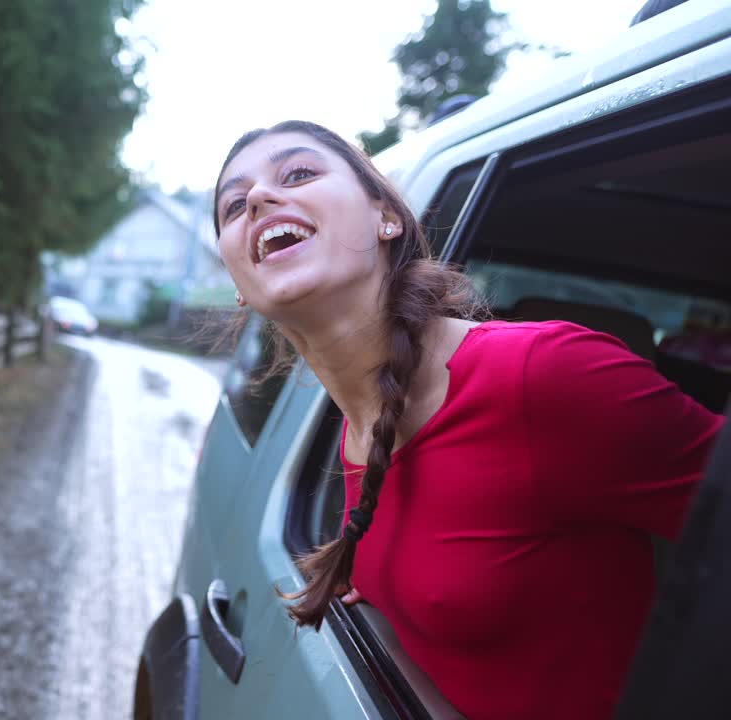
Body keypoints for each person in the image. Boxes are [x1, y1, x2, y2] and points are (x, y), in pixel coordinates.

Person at [212, 120, 725, 720]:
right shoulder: (354, 437)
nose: (258, 199)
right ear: (239, 285)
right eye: (233, 205)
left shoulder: (544, 373)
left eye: (298, 174)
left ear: (388, 218)